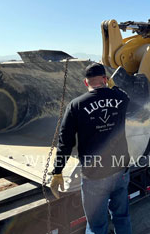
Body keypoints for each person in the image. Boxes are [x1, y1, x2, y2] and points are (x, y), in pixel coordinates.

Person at [50, 62, 132, 234]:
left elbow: (65, 142)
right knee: (122, 217)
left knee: (96, 226)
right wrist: (112, 85)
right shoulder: (120, 98)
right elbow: (124, 95)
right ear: (105, 79)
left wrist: (58, 171)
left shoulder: (76, 105)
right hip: (120, 171)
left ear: (85, 82)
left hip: (94, 175)